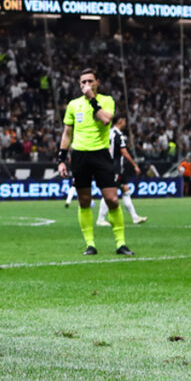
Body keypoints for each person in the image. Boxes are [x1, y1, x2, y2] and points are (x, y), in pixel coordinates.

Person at [56, 69, 134, 256]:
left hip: (101, 155)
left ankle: (120, 243)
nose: (86, 85)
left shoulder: (106, 101)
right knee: (84, 200)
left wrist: (92, 99)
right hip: (80, 155)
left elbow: (106, 120)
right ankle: (90, 244)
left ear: (97, 82)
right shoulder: (73, 105)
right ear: (79, 84)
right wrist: (61, 159)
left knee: (112, 199)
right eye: (83, 82)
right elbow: (67, 133)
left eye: (90, 81)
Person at [96, 115, 147, 226]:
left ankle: (135, 217)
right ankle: (100, 219)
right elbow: (124, 152)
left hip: (112, 166)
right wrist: (135, 165)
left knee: (125, 190)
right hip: (114, 167)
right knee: (109, 193)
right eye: (124, 120)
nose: (125, 123)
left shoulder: (108, 132)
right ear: (120, 121)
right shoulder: (119, 135)